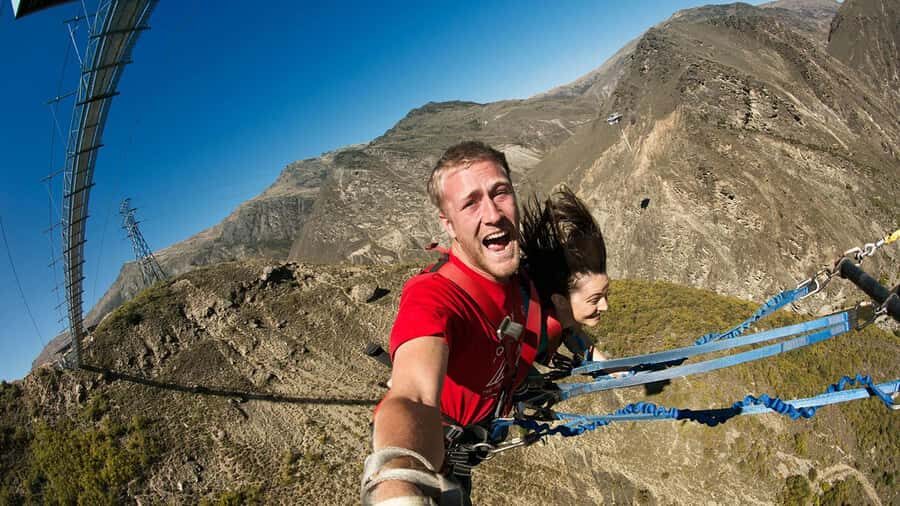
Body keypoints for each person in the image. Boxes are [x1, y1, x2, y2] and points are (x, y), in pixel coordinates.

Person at [361, 142, 610, 505]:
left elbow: (563, 317)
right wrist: (396, 482)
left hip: (468, 443)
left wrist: (596, 357)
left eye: (500, 192)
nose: (493, 214)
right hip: (434, 456)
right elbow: (413, 396)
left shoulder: (521, 281)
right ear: (448, 224)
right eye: (470, 203)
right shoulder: (434, 295)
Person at [519, 185, 610, 367]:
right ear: (560, 300)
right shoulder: (525, 320)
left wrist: (616, 370)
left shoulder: (557, 311)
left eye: (606, 295)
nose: (605, 306)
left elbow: (573, 334)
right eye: (594, 299)